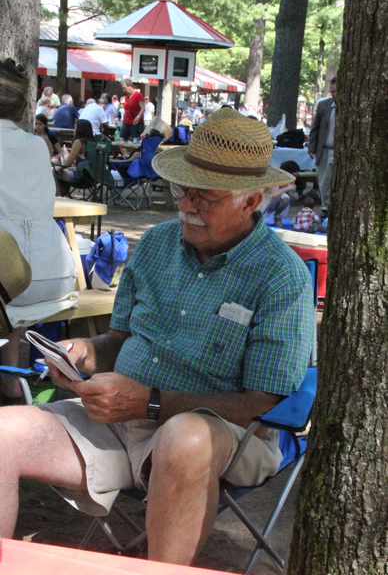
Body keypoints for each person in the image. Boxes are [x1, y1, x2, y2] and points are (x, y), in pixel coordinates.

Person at [0, 109, 314, 566]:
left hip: (225, 436)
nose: (186, 206)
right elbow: (118, 341)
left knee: (184, 438)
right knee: (3, 431)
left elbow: (259, 404)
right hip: (118, 422)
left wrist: (150, 402)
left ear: (251, 202)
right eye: (181, 190)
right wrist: (86, 353)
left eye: (204, 197)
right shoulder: (157, 244)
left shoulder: (279, 277)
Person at [0, 59, 77, 401]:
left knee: (8, 270)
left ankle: (11, 381)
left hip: (14, 274)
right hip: (53, 271)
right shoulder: (36, 145)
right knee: (11, 292)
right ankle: (11, 381)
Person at [308, 76, 337, 218]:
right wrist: (311, 146)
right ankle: (325, 207)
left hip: (340, 151)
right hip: (324, 149)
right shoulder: (324, 106)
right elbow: (315, 128)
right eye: (332, 92)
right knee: (324, 181)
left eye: (336, 91)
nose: (333, 95)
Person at [52, 119, 95, 194]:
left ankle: (59, 196)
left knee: (54, 171)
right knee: (66, 169)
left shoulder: (79, 142)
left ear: (79, 129)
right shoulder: (94, 142)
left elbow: (68, 163)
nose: (74, 130)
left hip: (80, 179)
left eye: (75, 127)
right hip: (93, 178)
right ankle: (65, 194)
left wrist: (59, 167)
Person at [262, 161, 298, 227]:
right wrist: (287, 188)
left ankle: (277, 215)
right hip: (267, 203)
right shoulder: (275, 179)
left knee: (286, 197)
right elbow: (272, 195)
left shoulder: (290, 181)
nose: (294, 178)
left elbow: (291, 197)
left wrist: (293, 192)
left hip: (277, 204)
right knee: (280, 195)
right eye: (294, 175)